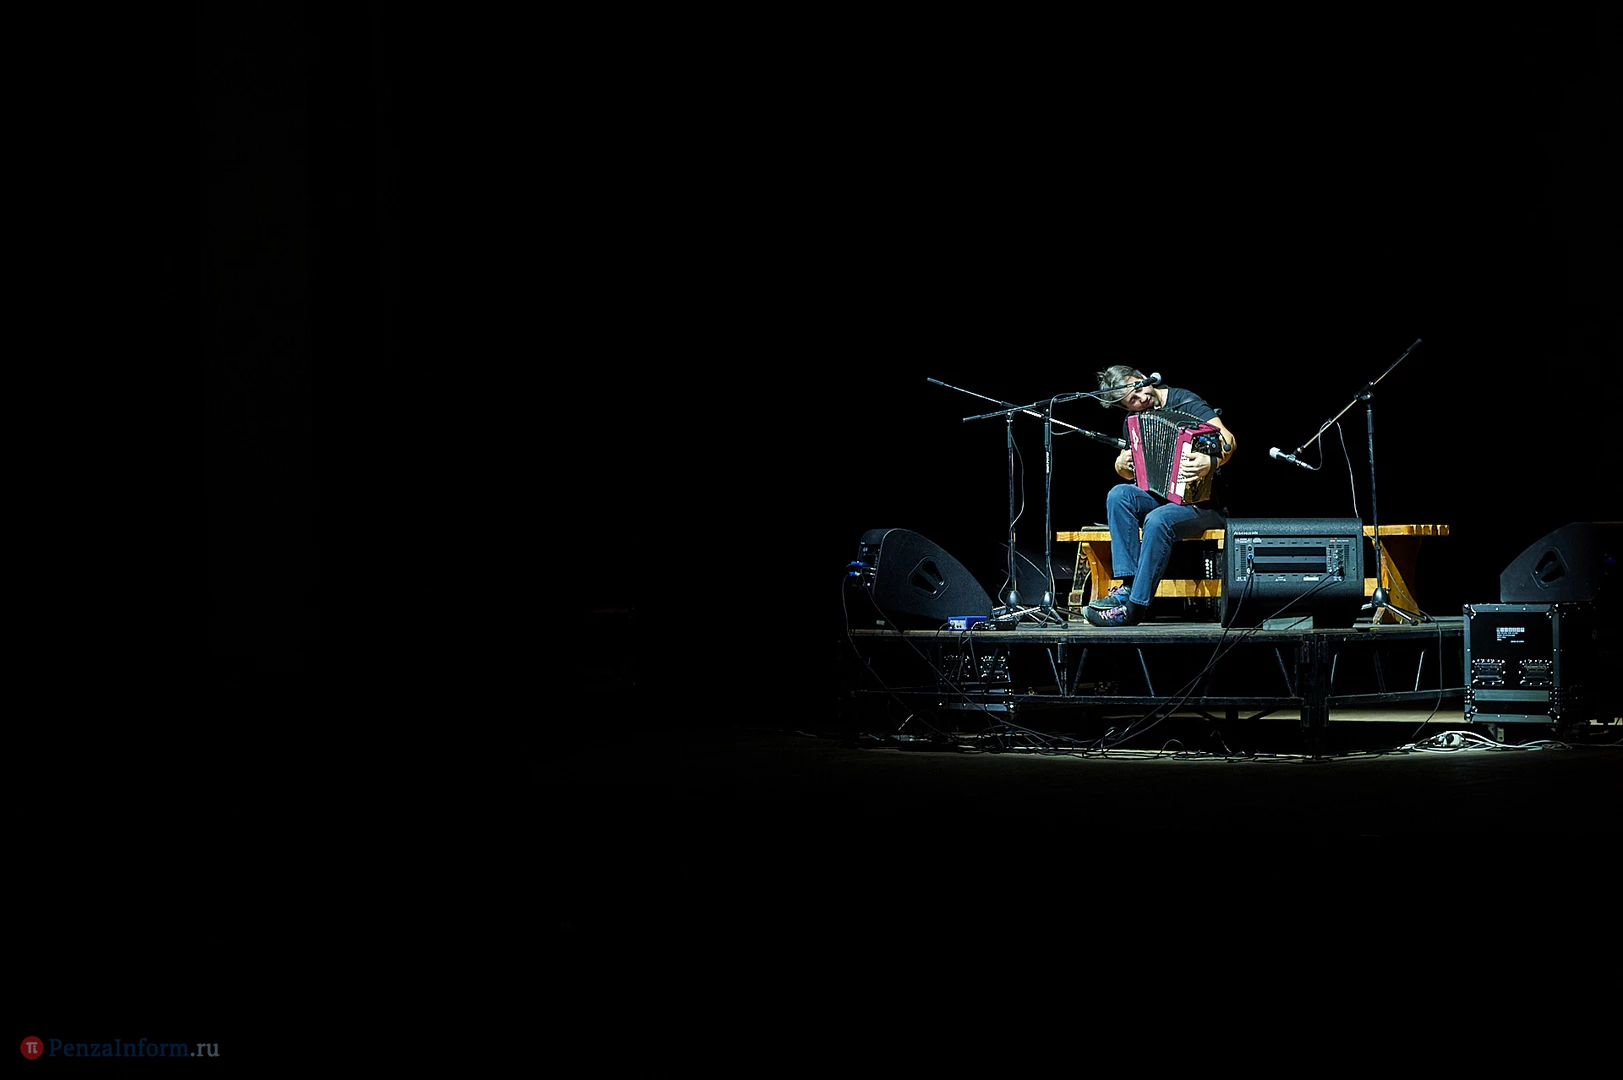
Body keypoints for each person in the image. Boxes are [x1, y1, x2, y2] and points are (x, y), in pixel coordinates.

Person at [1084, 366, 1237, 627]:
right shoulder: (1134, 421)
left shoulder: (1185, 402)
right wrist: (1120, 466)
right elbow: (1131, 472)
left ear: (1142, 377)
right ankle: (1128, 585)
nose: (1141, 398)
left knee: (1157, 520)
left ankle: (1134, 609)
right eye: (1132, 400)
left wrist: (1210, 462)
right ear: (1125, 407)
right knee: (1119, 495)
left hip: (1204, 504)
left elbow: (1229, 440)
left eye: (1138, 388)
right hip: (1163, 499)